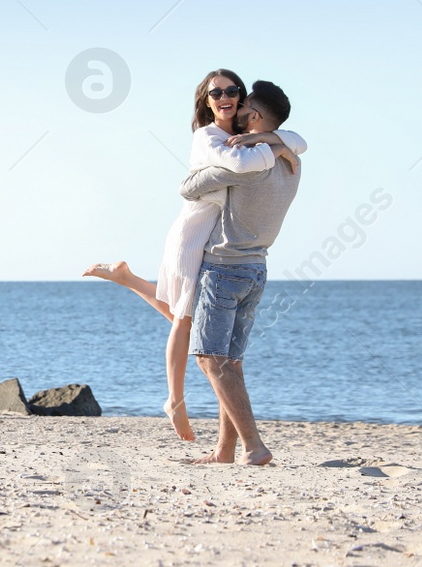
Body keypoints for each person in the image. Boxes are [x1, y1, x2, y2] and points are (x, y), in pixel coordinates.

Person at [83, 70, 306, 441]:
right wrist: (275, 146)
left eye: (235, 92)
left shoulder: (250, 141)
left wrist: (272, 140)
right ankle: (175, 400)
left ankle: (128, 279)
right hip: (195, 234)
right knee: (186, 320)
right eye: (217, 93)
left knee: (188, 318)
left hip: (218, 241)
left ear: (248, 108)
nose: (227, 98)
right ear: (205, 100)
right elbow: (213, 177)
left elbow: (295, 140)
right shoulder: (212, 137)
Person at [179, 80, 302, 465]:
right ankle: (225, 450)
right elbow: (295, 140)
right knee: (230, 363)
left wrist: (238, 148)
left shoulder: (246, 163)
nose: (237, 107)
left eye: (245, 105)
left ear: (258, 117)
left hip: (224, 267)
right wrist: (277, 142)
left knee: (209, 359)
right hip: (257, 268)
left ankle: (254, 446)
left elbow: (189, 187)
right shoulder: (290, 160)